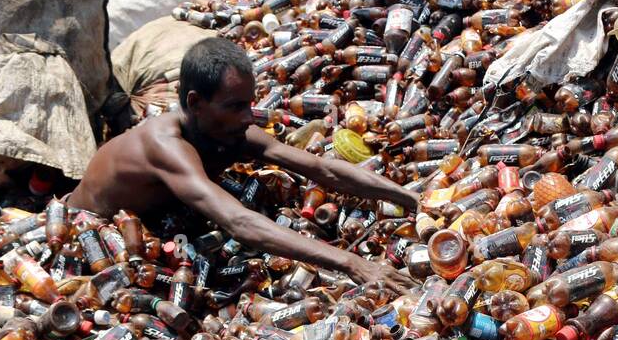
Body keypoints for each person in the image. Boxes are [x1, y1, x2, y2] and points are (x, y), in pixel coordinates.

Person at [67, 37, 417, 294]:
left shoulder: (228, 130)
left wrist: (409, 199)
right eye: (235, 106)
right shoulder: (166, 145)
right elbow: (239, 223)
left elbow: (321, 168)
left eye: (249, 103)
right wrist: (351, 263)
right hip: (90, 233)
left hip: (160, 221)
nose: (248, 116)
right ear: (196, 103)